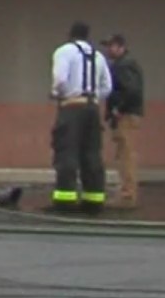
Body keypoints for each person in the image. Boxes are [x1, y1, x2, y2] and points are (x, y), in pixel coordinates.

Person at [50, 21, 113, 212]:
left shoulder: (64, 51)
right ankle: (93, 200)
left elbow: (60, 79)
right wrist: (93, 99)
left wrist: (57, 93)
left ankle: (65, 200)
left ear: (70, 34)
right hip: (92, 109)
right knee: (92, 154)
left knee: (67, 152)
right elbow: (107, 87)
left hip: (71, 107)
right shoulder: (98, 56)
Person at [103, 32, 145, 211]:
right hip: (128, 115)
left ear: (121, 47)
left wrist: (118, 108)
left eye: (111, 46)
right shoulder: (126, 64)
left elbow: (132, 90)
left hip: (126, 116)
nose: (108, 50)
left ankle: (128, 195)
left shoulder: (123, 66)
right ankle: (126, 191)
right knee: (123, 154)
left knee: (127, 155)